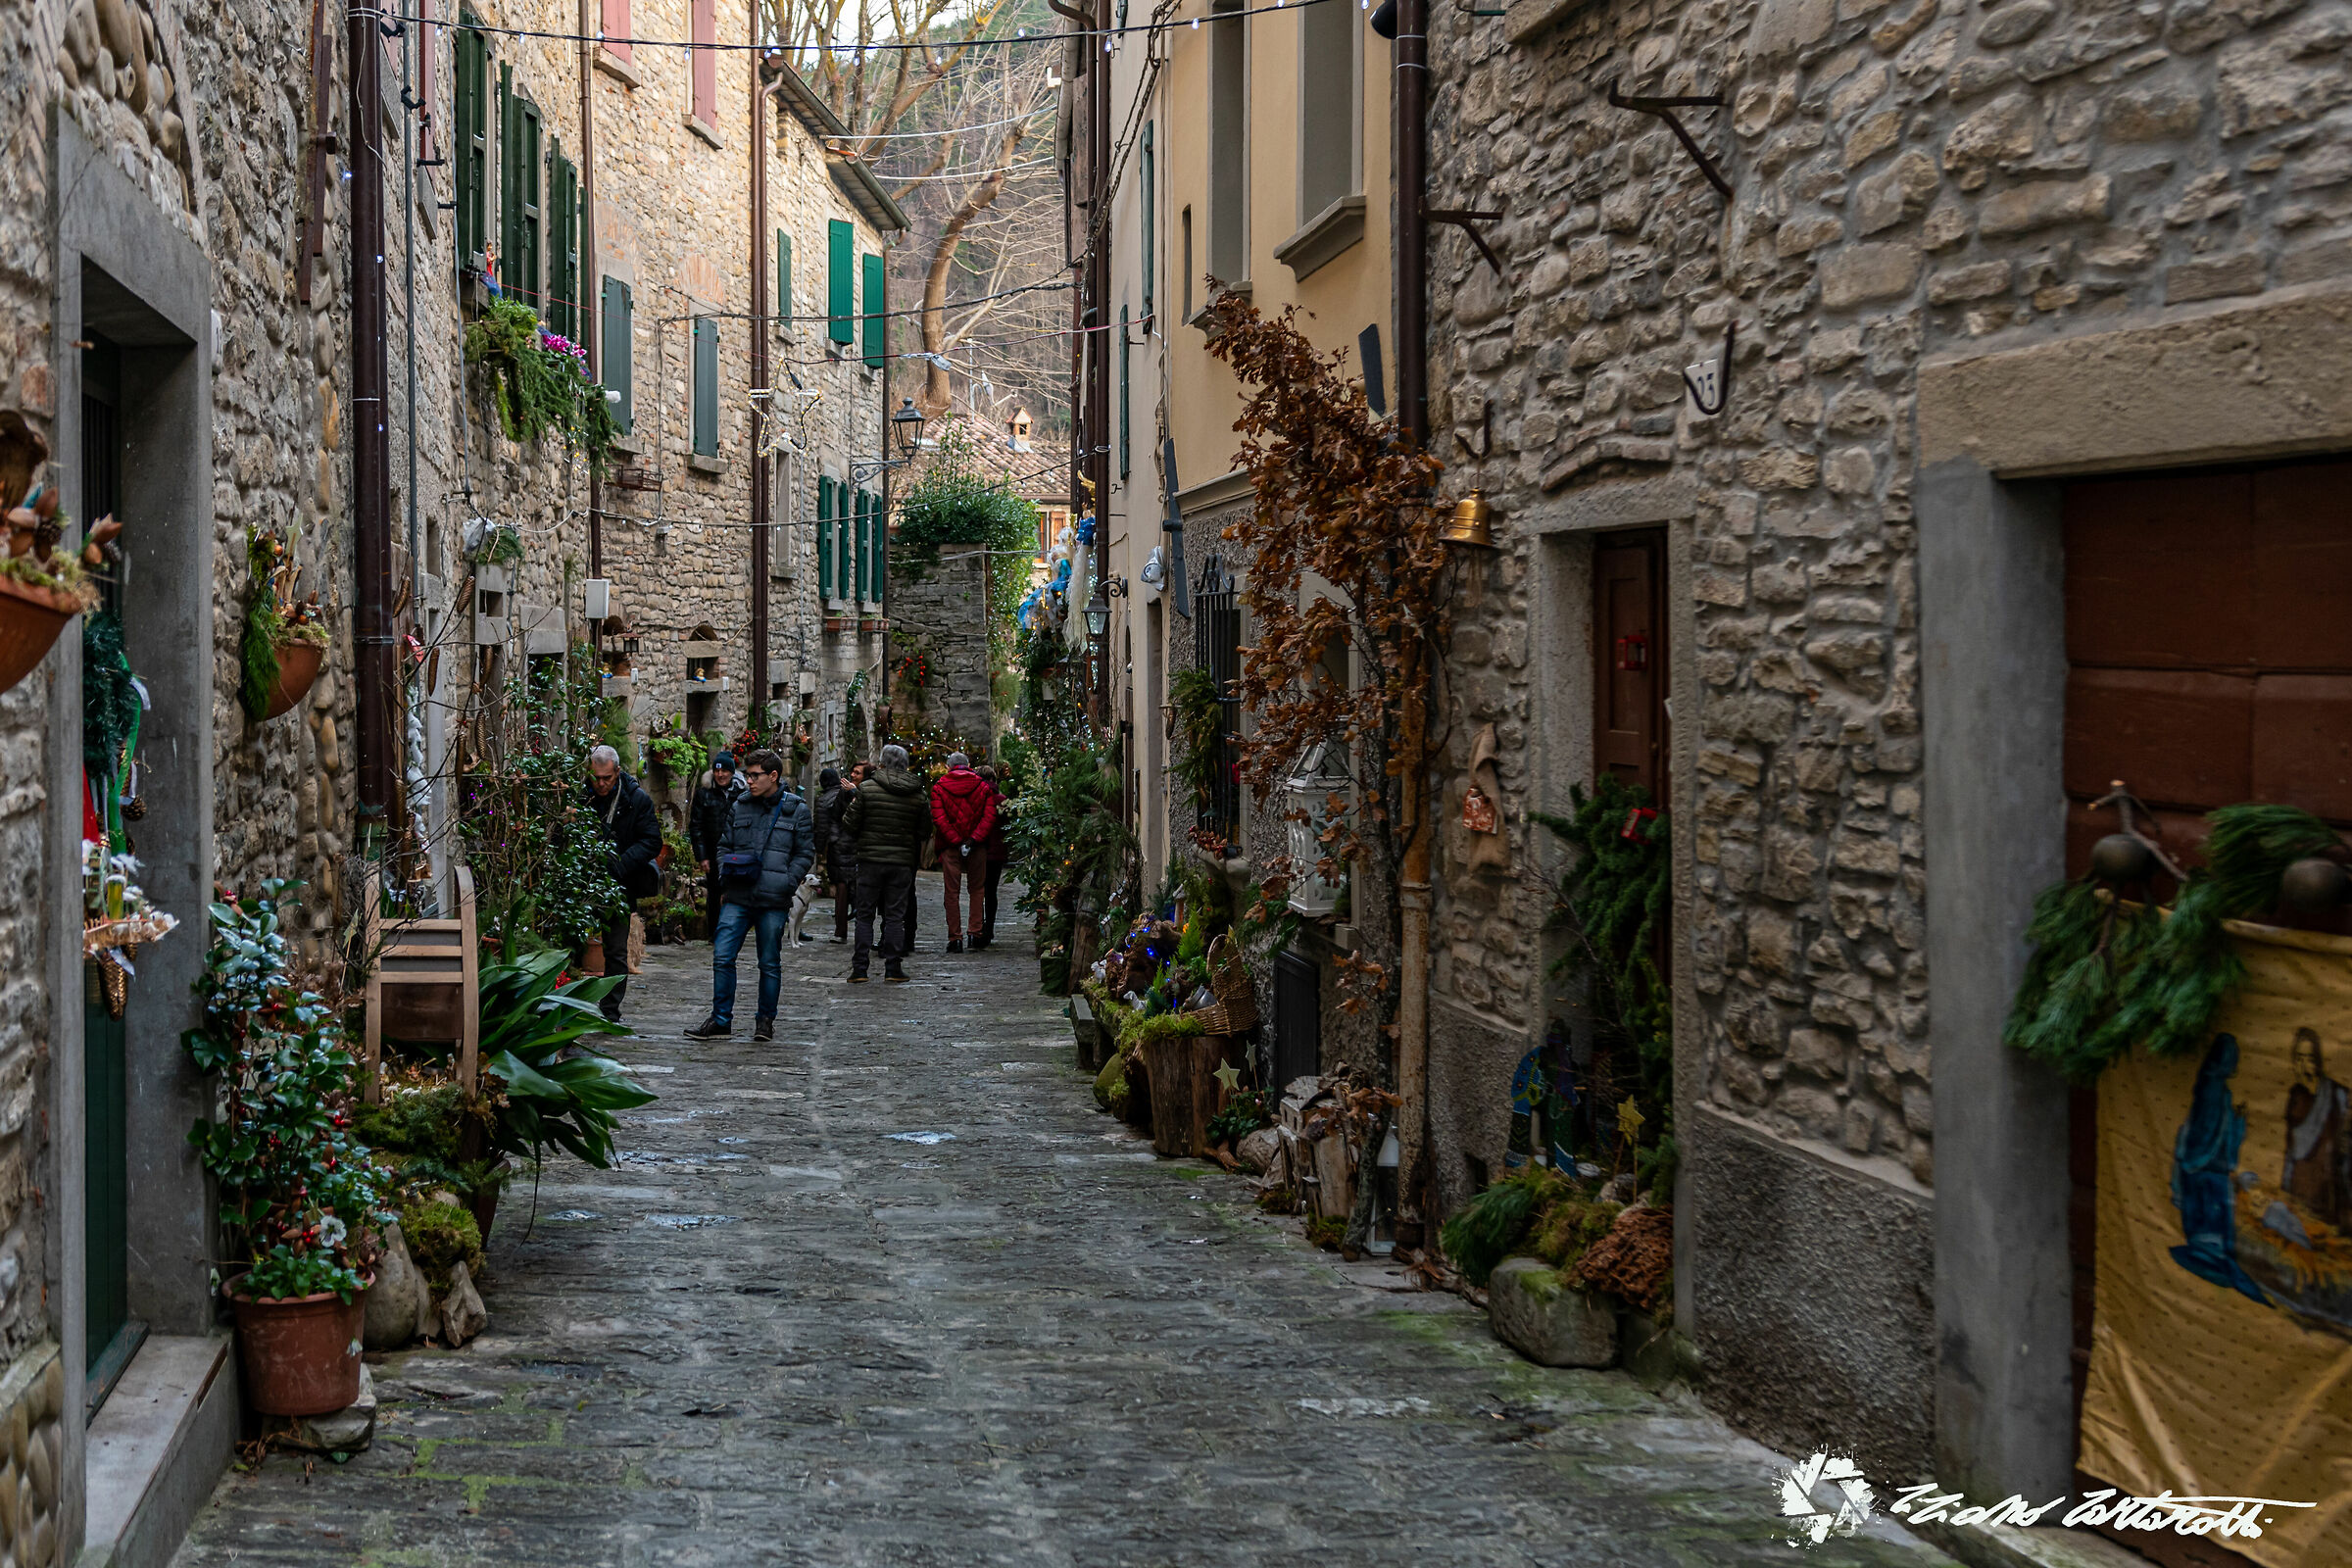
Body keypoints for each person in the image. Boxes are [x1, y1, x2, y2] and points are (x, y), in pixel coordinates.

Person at [686, 749, 814, 1042]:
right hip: (738, 896)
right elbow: (724, 846)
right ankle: (720, 1020)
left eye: (755, 775)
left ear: (773, 776)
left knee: (768, 962)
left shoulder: (796, 809)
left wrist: (787, 881)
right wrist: (724, 879)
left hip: (772, 898)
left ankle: (765, 1021)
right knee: (722, 956)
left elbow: (805, 852)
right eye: (748, 775)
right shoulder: (740, 805)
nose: (749, 780)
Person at [581, 745, 662, 1020]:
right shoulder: (581, 796)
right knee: (571, 944)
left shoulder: (636, 799)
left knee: (615, 951)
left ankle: (610, 1011)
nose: (601, 784)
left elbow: (652, 841)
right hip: (582, 883)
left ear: (617, 772)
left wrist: (621, 865)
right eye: (596, 778)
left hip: (619, 884)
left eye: (607, 778)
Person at [843, 743, 928, 983]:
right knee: (894, 916)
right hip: (901, 862)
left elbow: (849, 823)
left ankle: (860, 968)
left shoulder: (867, 790)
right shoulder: (918, 794)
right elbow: (924, 830)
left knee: (865, 915)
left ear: (881, 763)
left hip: (870, 860)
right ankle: (893, 967)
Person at [929, 752, 996, 954]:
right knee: (977, 889)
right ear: (968, 765)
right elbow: (989, 816)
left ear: (949, 767)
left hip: (950, 846)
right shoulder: (983, 787)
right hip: (977, 846)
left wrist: (956, 841)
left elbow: (939, 819)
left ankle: (954, 938)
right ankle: (975, 933)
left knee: (952, 892)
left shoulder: (939, 788)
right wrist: (973, 839)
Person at [689, 751, 743, 942]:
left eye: (725, 771)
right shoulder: (704, 794)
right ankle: (714, 933)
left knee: (736, 891)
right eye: (717, 772)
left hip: (737, 851)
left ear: (732, 772)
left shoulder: (741, 794)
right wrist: (702, 855)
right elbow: (696, 826)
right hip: (712, 851)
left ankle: (734, 932)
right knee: (714, 892)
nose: (721, 775)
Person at [812, 764, 857, 943]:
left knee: (841, 888)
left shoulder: (823, 801)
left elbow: (822, 828)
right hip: (853, 843)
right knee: (853, 882)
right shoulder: (847, 794)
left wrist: (819, 848)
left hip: (836, 845)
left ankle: (840, 931)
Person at [973, 762, 1010, 950]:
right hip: (997, 853)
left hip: (978, 850)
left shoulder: (975, 798)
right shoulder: (1002, 799)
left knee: (978, 891)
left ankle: (977, 929)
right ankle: (989, 928)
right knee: (991, 892)